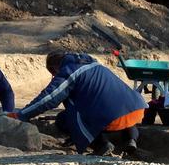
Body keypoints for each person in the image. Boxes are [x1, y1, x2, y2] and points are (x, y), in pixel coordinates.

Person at [10, 52, 147, 156]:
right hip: (136, 109)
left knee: (65, 118)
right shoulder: (94, 64)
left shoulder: (69, 71)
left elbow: (49, 98)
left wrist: (21, 114)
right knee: (123, 111)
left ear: (54, 69)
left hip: (112, 118)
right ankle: (130, 141)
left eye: (53, 74)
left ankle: (102, 145)